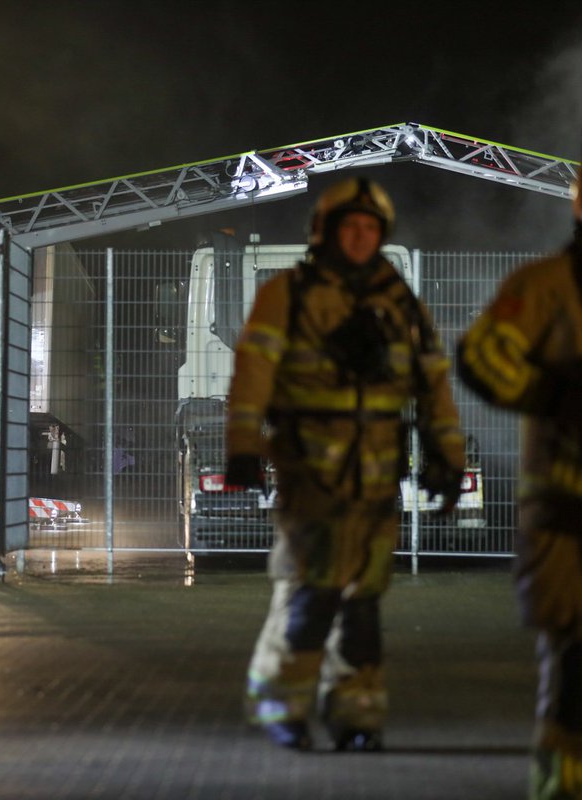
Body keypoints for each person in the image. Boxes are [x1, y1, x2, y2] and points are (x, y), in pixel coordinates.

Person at [226, 177, 465, 752]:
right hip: (310, 471)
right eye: (349, 227)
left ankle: (357, 716)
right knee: (313, 592)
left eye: (369, 229)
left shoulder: (399, 300)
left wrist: (447, 458)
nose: (359, 238)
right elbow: (253, 373)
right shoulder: (288, 293)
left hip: (378, 473)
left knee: (363, 602)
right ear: (325, 232)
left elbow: (433, 384)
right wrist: (241, 445)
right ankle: (283, 707)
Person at [457, 177, 582, 798]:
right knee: (574, 661)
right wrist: (553, 393)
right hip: (564, 509)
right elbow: (480, 358)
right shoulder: (544, 286)